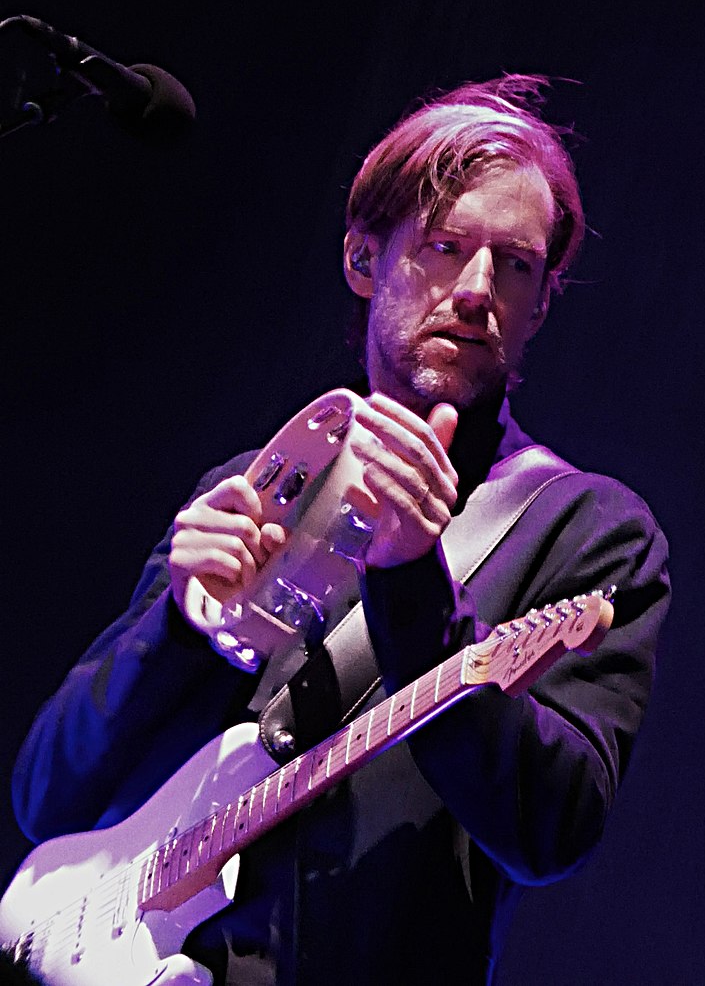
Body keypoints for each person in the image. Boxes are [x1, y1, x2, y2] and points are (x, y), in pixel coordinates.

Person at [11, 76, 670, 985]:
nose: (478, 289)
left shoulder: (588, 529)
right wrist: (180, 631)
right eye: (445, 247)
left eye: (516, 264)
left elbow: (554, 828)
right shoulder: (253, 485)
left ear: (542, 304)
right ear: (364, 258)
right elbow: (46, 795)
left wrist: (412, 585)